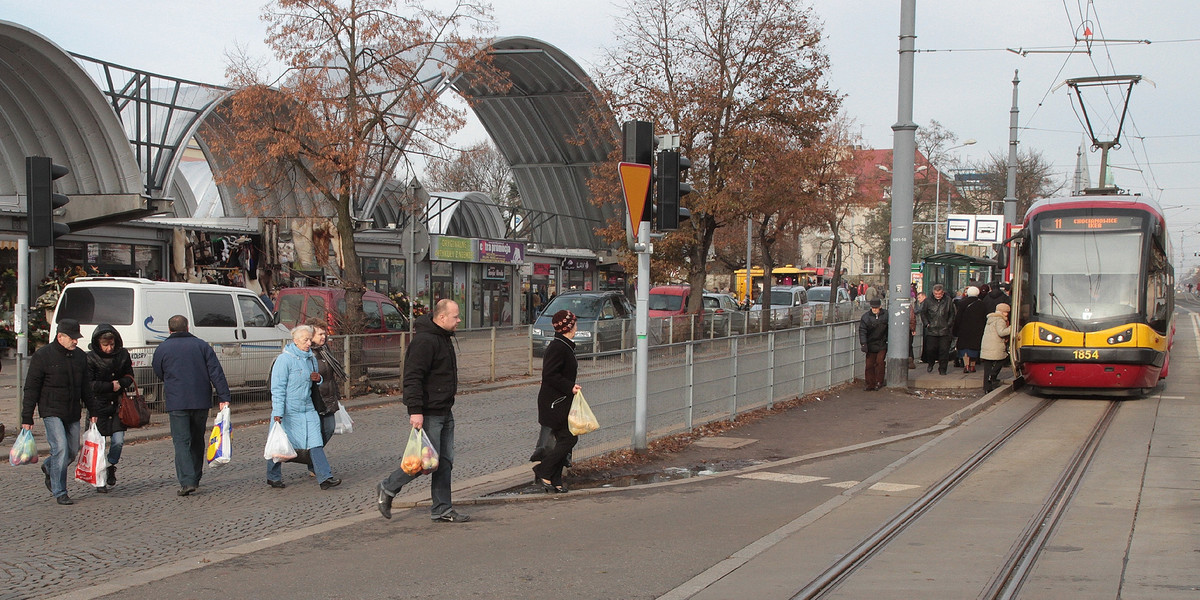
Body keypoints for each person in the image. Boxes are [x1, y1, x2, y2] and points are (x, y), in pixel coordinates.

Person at [376, 299, 470, 522]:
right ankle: (388, 487)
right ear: (441, 318)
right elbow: (412, 377)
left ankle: (442, 509)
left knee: (444, 462)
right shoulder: (425, 341)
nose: (459, 321)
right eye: (455, 317)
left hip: (444, 410)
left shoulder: (443, 337)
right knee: (424, 462)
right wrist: (415, 410)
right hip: (428, 412)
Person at [21, 318, 100, 505]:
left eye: (77, 338)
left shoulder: (80, 357)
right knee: (61, 448)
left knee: (71, 451)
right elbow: (31, 387)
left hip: (72, 411)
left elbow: (86, 387)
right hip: (51, 410)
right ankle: (60, 491)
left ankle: (49, 467)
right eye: (72, 338)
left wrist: (93, 409)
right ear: (60, 336)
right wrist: (27, 416)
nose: (75, 341)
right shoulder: (43, 356)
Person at [151, 315, 231, 496]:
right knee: (196, 439)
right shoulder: (202, 345)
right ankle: (195, 476)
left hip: (176, 401)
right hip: (200, 399)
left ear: (169, 330)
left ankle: (187, 481)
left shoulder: (162, 348)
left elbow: (158, 371)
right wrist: (224, 396)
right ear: (187, 328)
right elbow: (216, 372)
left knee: (181, 441)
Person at [266, 324, 341, 490]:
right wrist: (278, 412)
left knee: (315, 442)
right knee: (280, 442)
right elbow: (277, 388)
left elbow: (316, 381)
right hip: (288, 409)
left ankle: (325, 477)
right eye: (305, 340)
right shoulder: (284, 360)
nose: (309, 343)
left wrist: (318, 379)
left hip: (307, 407)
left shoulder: (311, 358)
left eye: (309, 339)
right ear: (295, 340)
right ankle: (273, 476)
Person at [533, 310, 583, 492]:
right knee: (569, 438)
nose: (577, 326)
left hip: (560, 401)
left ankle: (555, 478)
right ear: (568, 327)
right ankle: (544, 470)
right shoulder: (558, 347)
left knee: (564, 439)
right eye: (575, 323)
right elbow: (550, 375)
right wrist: (569, 386)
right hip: (554, 402)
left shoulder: (565, 345)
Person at [85, 324, 135, 493]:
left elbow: (129, 375)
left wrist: (121, 383)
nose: (109, 348)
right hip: (98, 405)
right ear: (98, 344)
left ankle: (110, 464)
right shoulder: (90, 358)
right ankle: (100, 481)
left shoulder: (122, 355)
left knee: (118, 441)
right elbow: (88, 384)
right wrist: (109, 386)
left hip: (117, 405)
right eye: (105, 345)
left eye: (111, 345)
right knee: (98, 446)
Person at [307, 319, 345, 448]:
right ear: (311, 335)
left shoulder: (325, 350)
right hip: (315, 400)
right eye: (320, 334)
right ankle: (315, 460)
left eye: (324, 334)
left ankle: (314, 457)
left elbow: (331, 376)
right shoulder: (307, 353)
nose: (324, 337)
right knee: (315, 433)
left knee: (329, 429)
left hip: (328, 398)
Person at [919, 284, 956, 375]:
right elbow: (923, 313)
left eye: (939, 294)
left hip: (944, 329)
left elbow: (952, 314)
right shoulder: (928, 301)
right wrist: (927, 324)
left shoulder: (948, 301)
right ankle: (931, 363)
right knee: (931, 349)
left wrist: (948, 324)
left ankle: (943, 369)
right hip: (932, 329)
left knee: (944, 350)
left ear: (942, 293)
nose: (937, 295)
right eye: (936, 294)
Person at [953, 286, 987, 373]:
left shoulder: (962, 303)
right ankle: (973, 365)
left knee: (965, 348)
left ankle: (966, 365)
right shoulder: (982, 304)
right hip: (977, 329)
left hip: (964, 329)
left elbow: (958, 317)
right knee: (974, 347)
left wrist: (955, 329)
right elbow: (984, 318)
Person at [979, 303, 1012, 392]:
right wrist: (1011, 328)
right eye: (1006, 312)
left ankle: (987, 388)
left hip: (987, 345)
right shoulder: (1000, 320)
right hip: (996, 345)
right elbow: (1001, 332)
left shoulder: (990, 318)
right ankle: (993, 376)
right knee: (1002, 359)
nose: (1007, 314)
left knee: (987, 368)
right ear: (1002, 312)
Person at [858, 299, 888, 391]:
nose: (874, 309)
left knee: (880, 362)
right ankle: (870, 383)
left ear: (880, 307)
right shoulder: (866, 317)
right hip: (870, 344)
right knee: (869, 365)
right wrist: (864, 344)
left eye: (876, 308)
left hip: (882, 343)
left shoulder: (886, 315)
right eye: (873, 308)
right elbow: (862, 331)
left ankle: (879, 382)